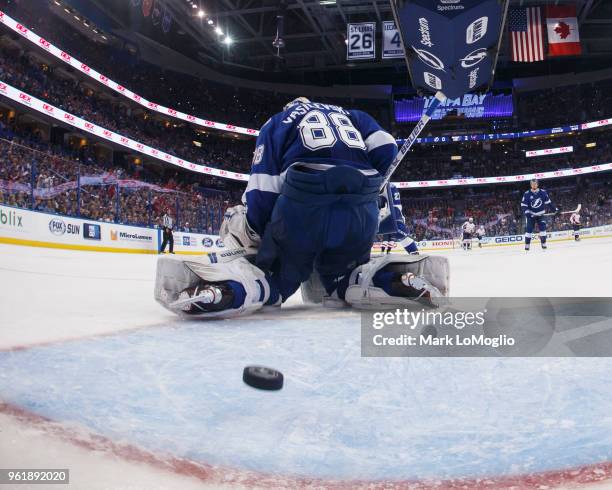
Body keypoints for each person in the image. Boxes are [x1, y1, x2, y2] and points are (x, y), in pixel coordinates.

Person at [154, 98, 449, 318]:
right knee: (347, 278)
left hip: (304, 205)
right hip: (360, 208)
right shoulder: (353, 115)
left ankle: (224, 289)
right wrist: (370, 191)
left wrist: (261, 238)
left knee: (271, 283)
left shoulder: (280, 121)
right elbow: (387, 150)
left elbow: (263, 187)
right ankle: (399, 279)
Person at [378, 183, 419, 255]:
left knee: (399, 232)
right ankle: (413, 251)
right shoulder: (391, 185)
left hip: (391, 211)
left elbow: (383, 201)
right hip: (394, 211)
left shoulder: (384, 185)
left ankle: (413, 252)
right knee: (399, 233)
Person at [520, 179, 558, 251]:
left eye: (535, 184)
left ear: (537, 184)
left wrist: (555, 209)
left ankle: (543, 244)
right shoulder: (527, 193)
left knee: (543, 229)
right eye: (532, 184)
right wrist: (527, 213)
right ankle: (527, 245)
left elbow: (548, 203)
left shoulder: (543, 192)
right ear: (531, 185)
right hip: (531, 215)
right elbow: (523, 205)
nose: (534, 185)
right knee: (529, 230)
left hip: (541, 214)